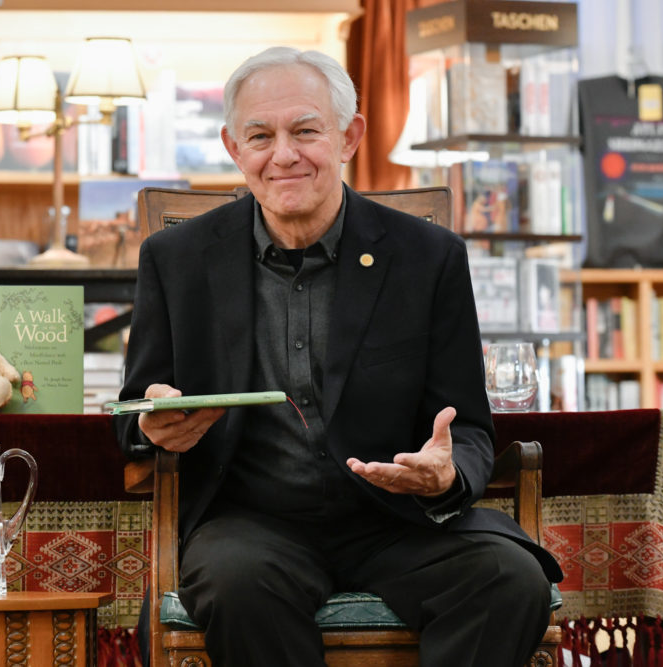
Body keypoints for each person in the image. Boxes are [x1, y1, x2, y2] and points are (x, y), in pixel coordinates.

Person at [113, 46, 563, 667]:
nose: (284, 155)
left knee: (509, 579)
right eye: (261, 136)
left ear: (349, 136)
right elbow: (133, 412)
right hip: (251, 522)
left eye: (305, 131)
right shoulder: (176, 259)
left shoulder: (429, 257)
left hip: (399, 522)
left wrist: (447, 474)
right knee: (235, 583)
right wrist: (150, 423)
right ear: (233, 148)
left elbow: (470, 432)